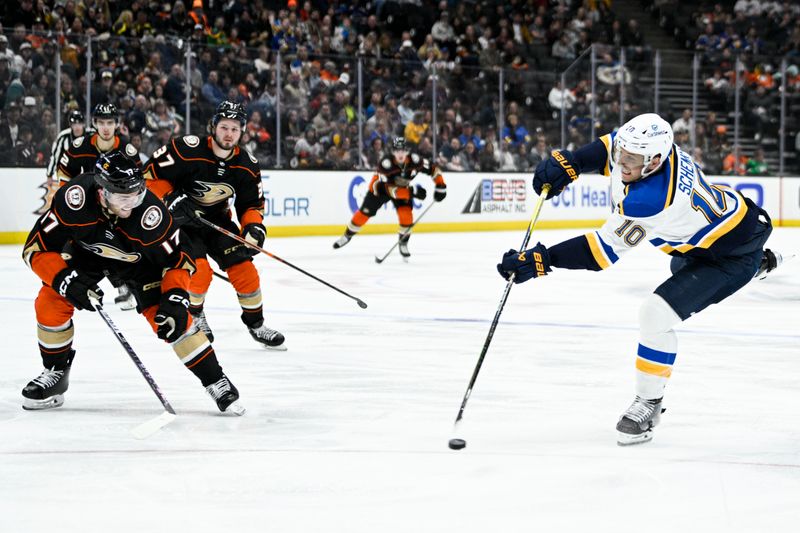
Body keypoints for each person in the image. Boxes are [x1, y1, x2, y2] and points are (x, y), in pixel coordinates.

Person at [496, 113, 783, 446]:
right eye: (623, 154)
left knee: (655, 315)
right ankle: (759, 261)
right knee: (680, 272)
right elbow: (608, 146)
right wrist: (572, 162)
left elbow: (599, 252)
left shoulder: (650, 199)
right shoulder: (648, 149)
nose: (621, 163)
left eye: (630, 159)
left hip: (729, 254)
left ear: (655, 161)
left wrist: (543, 259)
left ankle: (649, 401)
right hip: (708, 238)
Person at [20, 151, 244, 415]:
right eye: (122, 197)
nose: (131, 204)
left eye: (136, 195)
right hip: (86, 253)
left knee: (173, 320)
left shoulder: (151, 214)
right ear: (102, 192)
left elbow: (180, 260)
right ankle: (56, 372)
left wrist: (174, 294)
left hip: (142, 264)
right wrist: (64, 280)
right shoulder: (74, 199)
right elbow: (35, 249)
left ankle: (215, 379)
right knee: (50, 300)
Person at [143, 100, 285, 350]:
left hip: (217, 220)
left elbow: (252, 204)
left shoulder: (247, 165)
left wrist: (254, 228)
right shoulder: (186, 149)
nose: (228, 134)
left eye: (234, 128)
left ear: (242, 132)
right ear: (213, 127)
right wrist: (170, 198)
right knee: (199, 272)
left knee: (245, 271)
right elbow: (149, 175)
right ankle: (196, 314)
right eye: (224, 127)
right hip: (182, 223)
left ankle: (256, 324)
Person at [55, 103, 140, 310]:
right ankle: (80, 286)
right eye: (101, 122)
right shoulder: (79, 146)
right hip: (86, 212)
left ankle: (128, 286)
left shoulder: (127, 149)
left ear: (117, 124)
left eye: (110, 122)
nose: (105, 127)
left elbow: (139, 182)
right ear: (94, 124)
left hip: (116, 211)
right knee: (71, 252)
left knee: (115, 247)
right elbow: (63, 174)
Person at [332, 136, 447, 260]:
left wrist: (441, 186)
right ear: (393, 152)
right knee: (364, 213)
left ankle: (403, 243)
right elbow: (390, 190)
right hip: (379, 190)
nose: (400, 154)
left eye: (403, 150)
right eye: (397, 151)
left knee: (406, 215)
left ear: (407, 151)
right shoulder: (386, 164)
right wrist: (412, 192)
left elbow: (434, 169)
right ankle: (347, 235)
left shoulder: (416, 161)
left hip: (402, 189)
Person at [38, 110, 93, 214]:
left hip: (87, 171)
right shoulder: (63, 136)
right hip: (68, 171)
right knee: (68, 196)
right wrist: (49, 174)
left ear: (83, 124)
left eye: (79, 124)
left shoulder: (91, 134)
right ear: (70, 125)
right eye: (74, 124)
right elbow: (55, 156)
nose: (77, 127)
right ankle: (67, 214)